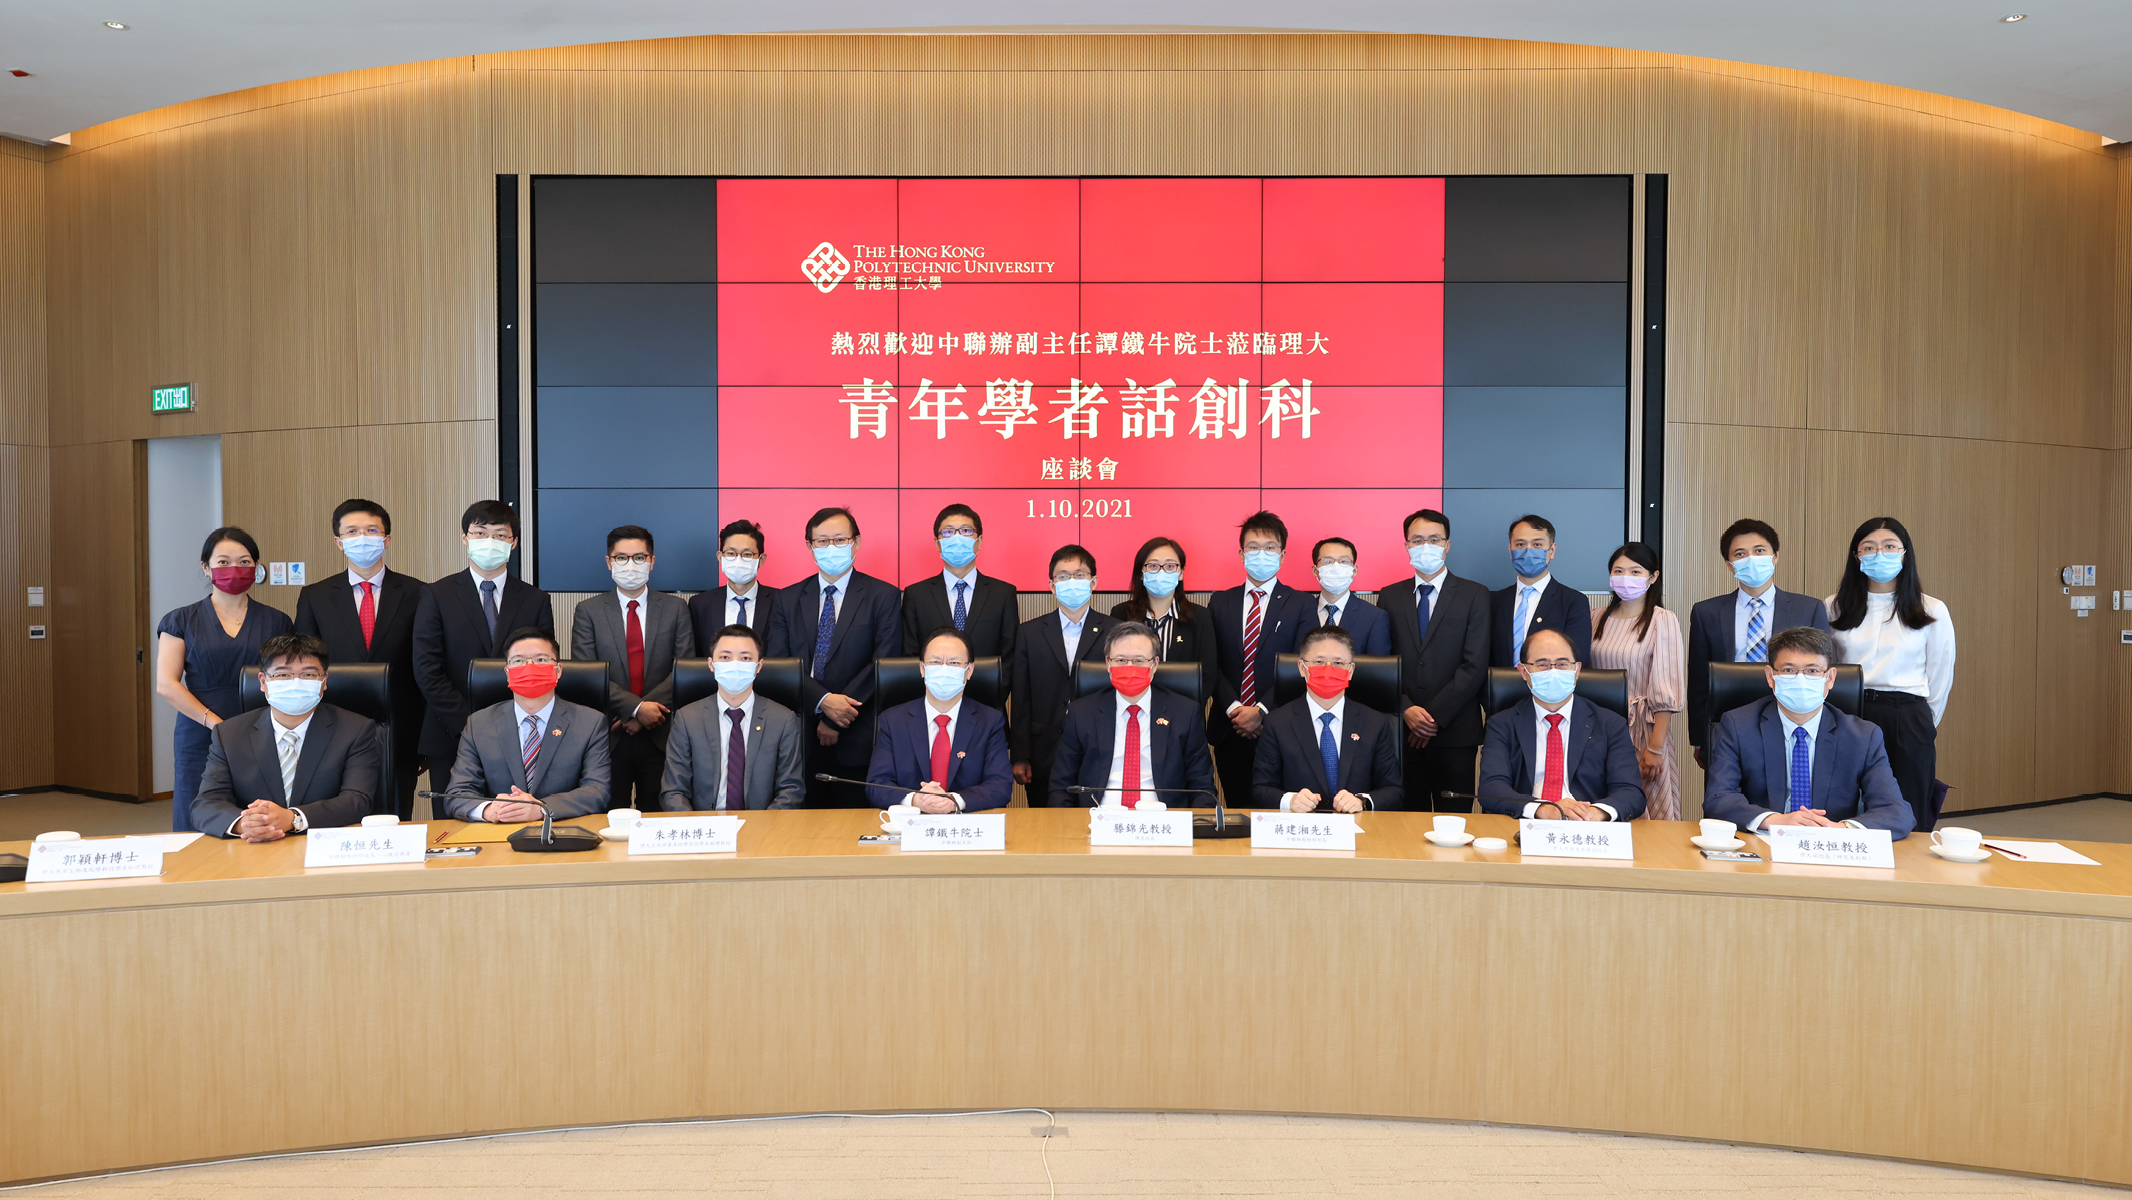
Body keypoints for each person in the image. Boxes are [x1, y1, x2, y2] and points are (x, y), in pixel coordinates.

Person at [1703, 626, 1914, 836]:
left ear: (1830, 678)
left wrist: (1841, 828)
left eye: (1812, 671)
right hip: (1763, 845)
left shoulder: (1863, 736)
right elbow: (1718, 798)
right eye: (1788, 670)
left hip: (1831, 851)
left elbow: (1896, 812)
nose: (1800, 680)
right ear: (1770, 676)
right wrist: (1775, 820)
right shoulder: (1739, 726)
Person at [412, 500, 554, 809]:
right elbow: (427, 668)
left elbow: (541, 668)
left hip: (520, 732)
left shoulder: (535, 599)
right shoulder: (437, 594)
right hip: (450, 732)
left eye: (500, 535)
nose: (489, 542)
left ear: (514, 542)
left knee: (516, 817)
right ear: (465, 538)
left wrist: (504, 724)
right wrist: (469, 724)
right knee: (454, 826)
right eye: (479, 533)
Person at [294, 499, 426, 819]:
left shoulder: (420, 593)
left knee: (395, 815)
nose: (362, 537)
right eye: (352, 531)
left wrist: (424, 734)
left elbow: (425, 666)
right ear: (339, 542)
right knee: (337, 813)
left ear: (387, 539)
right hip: (334, 725)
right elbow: (306, 665)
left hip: (401, 727)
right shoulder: (315, 596)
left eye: (371, 530)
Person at [155, 526, 293, 832]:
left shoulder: (277, 620)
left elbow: (286, 677)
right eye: (223, 561)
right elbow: (166, 683)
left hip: (261, 730)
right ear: (205, 567)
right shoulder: (180, 620)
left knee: (261, 816)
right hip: (199, 730)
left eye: (245, 562)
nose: (235, 569)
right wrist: (217, 725)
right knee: (197, 815)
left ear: (256, 568)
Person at [764, 506, 902, 806]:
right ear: (809, 546)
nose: (831, 548)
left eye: (840, 540)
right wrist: (823, 703)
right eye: (822, 541)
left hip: (859, 734)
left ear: (857, 542)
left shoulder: (884, 596)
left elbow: (884, 663)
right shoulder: (787, 599)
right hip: (799, 736)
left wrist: (839, 717)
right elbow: (778, 664)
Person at [1825, 517, 1955, 832]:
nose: (1879, 554)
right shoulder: (1834, 607)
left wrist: (1921, 723)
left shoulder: (1931, 610)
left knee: (1907, 807)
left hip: (1907, 716)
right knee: (1844, 804)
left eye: (1889, 546)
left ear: (1905, 553)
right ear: (1856, 556)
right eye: (1868, 547)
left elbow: (1940, 677)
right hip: (1848, 712)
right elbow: (1825, 666)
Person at [191, 634, 382, 840]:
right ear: (263, 682)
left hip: (324, 846)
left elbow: (357, 799)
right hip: (252, 850)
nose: (296, 683)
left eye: (308, 675)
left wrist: (293, 818)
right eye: (283, 675)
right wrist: (244, 824)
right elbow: (206, 804)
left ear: (324, 681)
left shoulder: (355, 730)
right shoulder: (229, 734)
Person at [571, 524, 696, 811]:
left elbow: (684, 668)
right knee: (607, 815)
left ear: (652, 561)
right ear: (608, 562)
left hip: (662, 732)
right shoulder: (588, 611)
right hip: (609, 732)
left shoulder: (676, 608)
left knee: (658, 814)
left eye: (639, 557)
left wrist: (648, 712)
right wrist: (636, 709)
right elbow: (587, 673)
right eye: (621, 557)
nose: (631, 565)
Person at [1685, 518, 1830, 763]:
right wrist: (1700, 738)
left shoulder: (1809, 608)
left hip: (1791, 718)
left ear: (1775, 556)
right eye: (1740, 554)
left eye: (1759, 551)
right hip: (1727, 722)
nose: (1751, 558)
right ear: (1730, 565)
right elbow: (1699, 679)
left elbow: (1821, 673)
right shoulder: (1706, 612)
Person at [1378, 508, 1491, 813]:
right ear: (1406, 546)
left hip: (1454, 732)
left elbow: (1474, 665)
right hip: (1402, 733)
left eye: (1434, 539)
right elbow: (1383, 661)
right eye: (1417, 540)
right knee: (1404, 825)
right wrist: (1407, 709)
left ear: (1447, 545)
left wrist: (1432, 717)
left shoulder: (1475, 594)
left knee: (1454, 822)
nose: (1425, 546)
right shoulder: (1389, 596)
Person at [441, 628, 610, 822]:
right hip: (497, 836)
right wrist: (489, 810)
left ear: (558, 670)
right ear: (507, 672)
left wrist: (541, 809)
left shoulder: (590, 722)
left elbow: (597, 791)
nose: (530, 668)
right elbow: (457, 792)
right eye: (518, 661)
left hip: (562, 833)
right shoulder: (478, 724)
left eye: (541, 660)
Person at [1476, 628, 1646, 821]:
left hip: (1587, 829)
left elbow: (1631, 792)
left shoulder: (1610, 724)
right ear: (1524, 671)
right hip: (1526, 826)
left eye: (1563, 664)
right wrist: (1543, 809)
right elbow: (1491, 787)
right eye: (1542, 664)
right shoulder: (1502, 724)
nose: (1554, 672)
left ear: (1577, 669)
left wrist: (1594, 814)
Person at [1206, 511, 1315, 809]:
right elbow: (1211, 663)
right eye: (1253, 547)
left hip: (1280, 725)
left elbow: (1301, 665)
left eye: (1270, 547)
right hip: (1231, 727)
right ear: (1241, 554)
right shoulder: (1219, 602)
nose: (1261, 553)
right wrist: (1236, 709)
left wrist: (1262, 710)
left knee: (1279, 811)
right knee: (1238, 812)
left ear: (1282, 555)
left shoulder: (1302, 603)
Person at [1049, 622, 1216, 808]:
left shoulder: (1185, 713)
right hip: (1098, 820)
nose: (1130, 667)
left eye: (1138, 661)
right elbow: (1061, 787)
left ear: (1154, 664)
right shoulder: (1081, 713)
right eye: (1120, 660)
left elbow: (1202, 788)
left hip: (1163, 822)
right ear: (1108, 664)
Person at [1009, 545, 1118, 807]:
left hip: (1102, 750)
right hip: (1044, 753)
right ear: (1052, 585)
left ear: (1093, 582)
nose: (1072, 582)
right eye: (1063, 576)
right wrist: (1020, 754)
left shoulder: (1116, 631)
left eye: (1079, 575)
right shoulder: (1029, 632)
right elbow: (1021, 697)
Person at [1250, 626, 1403, 812]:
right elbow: (1260, 789)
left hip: (1358, 832)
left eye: (1338, 663)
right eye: (1319, 661)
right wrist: (1290, 800)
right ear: (1302, 668)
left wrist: (1362, 801)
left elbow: (1394, 791)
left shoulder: (1375, 723)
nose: (1328, 670)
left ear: (1351, 670)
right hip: (1301, 832)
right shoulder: (1277, 723)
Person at [659, 624, 805, 811]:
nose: (735, 664)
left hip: (762, 829)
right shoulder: (687, 718)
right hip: (704, 829)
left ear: (758, 666)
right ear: (711, 664)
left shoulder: (783, 720)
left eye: (745, 658)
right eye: (725, 657)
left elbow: (791, 790)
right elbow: (673, 792)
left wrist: (765, 829)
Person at [1589, 542, 1686, 820]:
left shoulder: (1662, 620)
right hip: (1598, 728)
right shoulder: (1595, 617)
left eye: (1635, 571)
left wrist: (1655, 747)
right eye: (1619, 571)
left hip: (1644, 731)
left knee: (1647, 812)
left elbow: (1667, 687)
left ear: (1652, 577)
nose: (1626, 578)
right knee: (1601, 808)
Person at [866, 627, 1013, 812]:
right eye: (935, 662)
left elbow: (1000, 786)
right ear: (922, 668)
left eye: (954, 663)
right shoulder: (893, 720)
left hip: (967, 829)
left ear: (969, 670)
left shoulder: (990, 721)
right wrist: (914, 800)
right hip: (910, 826)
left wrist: (954, 801)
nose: (944, 670)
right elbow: (877, 785)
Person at [901, 503, 1018, 660]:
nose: (957, 538)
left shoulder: (1003, 594)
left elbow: (1010, 656)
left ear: (979, 541)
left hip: (988, 684)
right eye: (948, 532)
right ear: (937, 544)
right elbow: (910, 656)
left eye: (966, 531)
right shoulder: (916, 595)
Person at [1489, 514, 1592, 669]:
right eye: (1520, 544)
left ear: (1552, 550)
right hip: (1498, 691)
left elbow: (1575, 658)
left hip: (1548, 690)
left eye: (1537, 545)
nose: (1528, 551)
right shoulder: (1493, 601)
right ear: (1510, 550)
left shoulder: (1573, 601)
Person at [1109, 536, 1207, 665]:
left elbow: (1207, 672)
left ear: (1181, 573)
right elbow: (1115, 664)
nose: (1162, 572)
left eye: (1170, 566)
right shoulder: (1121, 613)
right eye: (1153, 565)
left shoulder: (1200, 616)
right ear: (1142, 573)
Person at [688, 519, 777, 653]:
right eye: (731, 553)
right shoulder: (700, 604)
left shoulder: (780, 602)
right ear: (720, 557)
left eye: (747, 554)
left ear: (761, 559)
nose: (738, 560)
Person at [1305, 537, 1391, 656]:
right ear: (1315, 570)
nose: (1336, 567)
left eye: (1344, 561)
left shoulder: (1374, 617)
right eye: (1328, 561)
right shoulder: (1301, 612)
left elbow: (1378, 669)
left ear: (1354, 570)